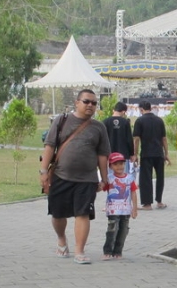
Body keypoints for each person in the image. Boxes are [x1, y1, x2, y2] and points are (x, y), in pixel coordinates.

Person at [39, 89, 110, 265]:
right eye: (87, 101)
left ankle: (79, 251)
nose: (90, 105)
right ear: (77, 102)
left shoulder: (99, 127)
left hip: (87, 179)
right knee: (57, 214)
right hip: (61, 175)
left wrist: (104, 178)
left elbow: (102, 155)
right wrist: (43, 172)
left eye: (94, 103)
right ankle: (62, 239)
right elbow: (49, 146)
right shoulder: (61, 121)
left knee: (83, 213)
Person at [133, 101, 171, 210]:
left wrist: (135, 154)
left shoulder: (139, 121)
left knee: (146, 179)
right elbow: (164, 138)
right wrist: (166, 153)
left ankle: (147, 203)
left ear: (141, 109)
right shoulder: (159, 120)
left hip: (147, 153)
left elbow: (136, 139)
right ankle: (159, 201)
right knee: (160, 177)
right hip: (159, 153)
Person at [102, 152, 138, 260]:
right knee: (112, 229)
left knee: (123, 231)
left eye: (121, 164)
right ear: (111, 166)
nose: (119, 167)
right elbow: (102, 188)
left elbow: (133, 193)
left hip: (126, 210)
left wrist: (134, 208)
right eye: (116, 164)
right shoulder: (109, 178)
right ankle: (107, 251)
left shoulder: (129, 178)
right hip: (113, 210)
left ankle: (118, 252)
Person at [102, 102, 135, 173]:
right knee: (123, 176)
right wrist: (132, 154)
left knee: (111, 178)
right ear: (123, 111)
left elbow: (102, 139)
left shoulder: (105, 122)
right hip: (123, 154)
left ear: (114, 110)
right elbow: (129, 139)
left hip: (110, 155)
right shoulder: (125, 122)